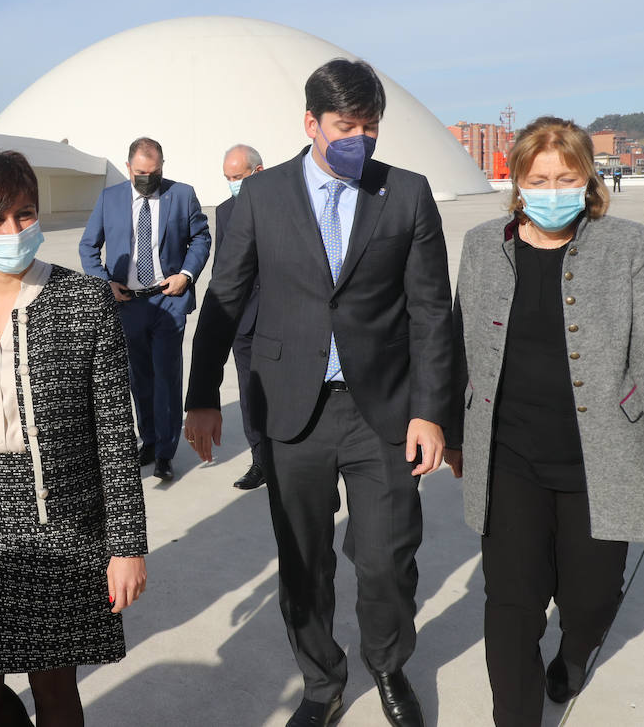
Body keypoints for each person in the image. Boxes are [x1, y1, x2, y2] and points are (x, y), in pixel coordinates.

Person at [184, 58, 453, 727]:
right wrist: (202, 396)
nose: (359, 139)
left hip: (382, 410)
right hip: (290, 409)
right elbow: (225, 297)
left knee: (386, 559)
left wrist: (431, 411)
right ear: (311, 123)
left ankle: (387, 665)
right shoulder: (262, 197)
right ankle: (320, 680)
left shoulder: (408, 195)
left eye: (370, 127)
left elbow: (430, 312)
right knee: (303, 561)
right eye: (345, 126)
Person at [448, 117, 644, 726]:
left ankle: (575, 651)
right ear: (518, 182)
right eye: (540, 178)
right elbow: (459, 343)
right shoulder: (485, 244)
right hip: (510, 458)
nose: (553, 189)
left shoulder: (629, 247)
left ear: (588, 179)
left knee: (589, 602)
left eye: (567, 177)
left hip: (602, 460)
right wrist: (453, 432)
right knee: (511, 603)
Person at [0, 149, 147, 726]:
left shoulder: (85, 301)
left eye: (24, 214)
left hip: (62, 522)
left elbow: (115, 433)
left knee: (55, 688)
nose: (13, 231)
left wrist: (128, 545)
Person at [79, 137, 211, 481]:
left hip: (168, 298)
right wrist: (104, 282)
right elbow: (88, 245)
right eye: (140, 172)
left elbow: (201, 237)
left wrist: (186, 275)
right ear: (128, 168)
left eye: (154, 172)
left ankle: (166, 452)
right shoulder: (110, 199)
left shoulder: (181, 195)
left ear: (163, 167)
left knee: (167, 377)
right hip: (128, 304)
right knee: (140, 378)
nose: (147, 178)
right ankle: (149, 440)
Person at [217, 144, 268, 491]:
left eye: (238, 177)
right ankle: (260, 461)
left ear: (258, 172)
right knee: (251, 396)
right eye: (228, 178)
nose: (233, 183)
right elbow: (225, 271)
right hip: (245, 324)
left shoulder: (288, 204)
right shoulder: (224, 212)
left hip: (285, 319)